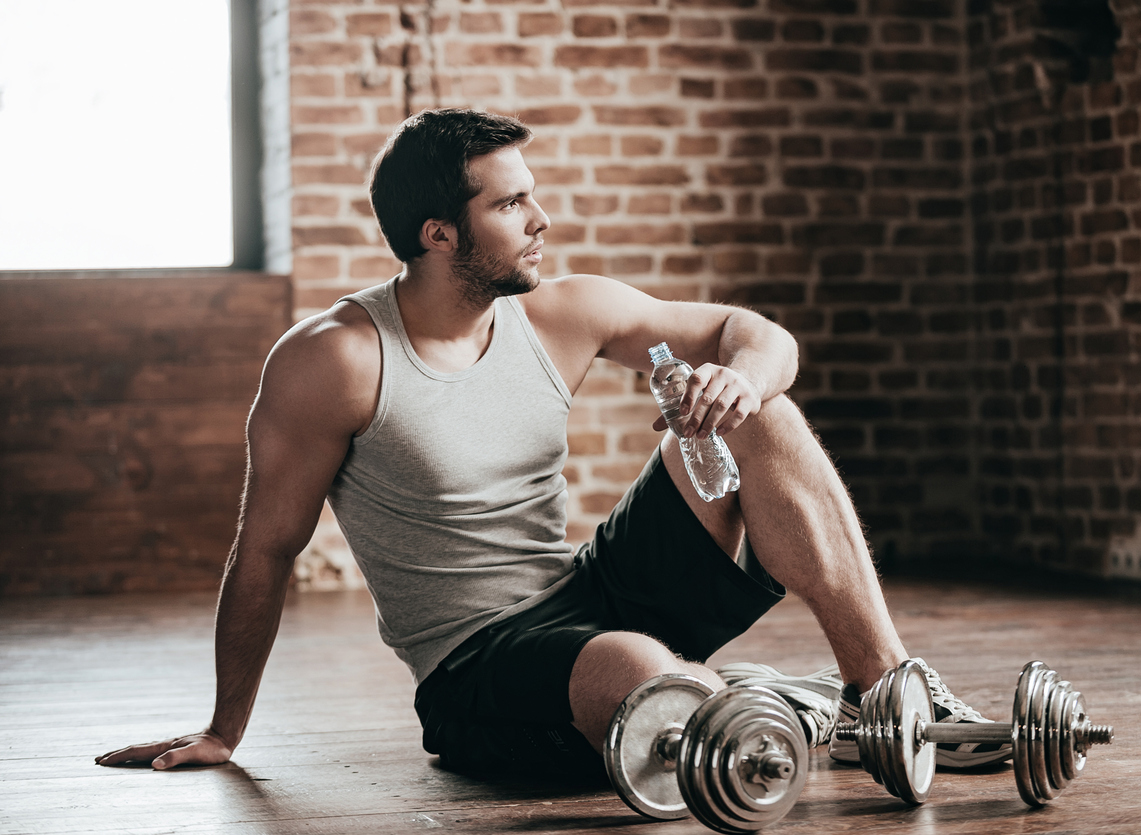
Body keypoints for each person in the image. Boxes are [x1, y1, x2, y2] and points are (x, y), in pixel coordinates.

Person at [96, 108, 1011, 778]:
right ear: (439, 232)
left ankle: (880, 692)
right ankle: (733, 703)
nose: (543, 220)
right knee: (638, 671)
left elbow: (758, 332)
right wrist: (225, 729)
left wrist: (742, 378)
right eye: (513, 204)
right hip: (477, 663)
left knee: (763, 412)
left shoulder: (564, 312)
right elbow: (263, 550)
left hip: (588, 587)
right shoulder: (334, 361)